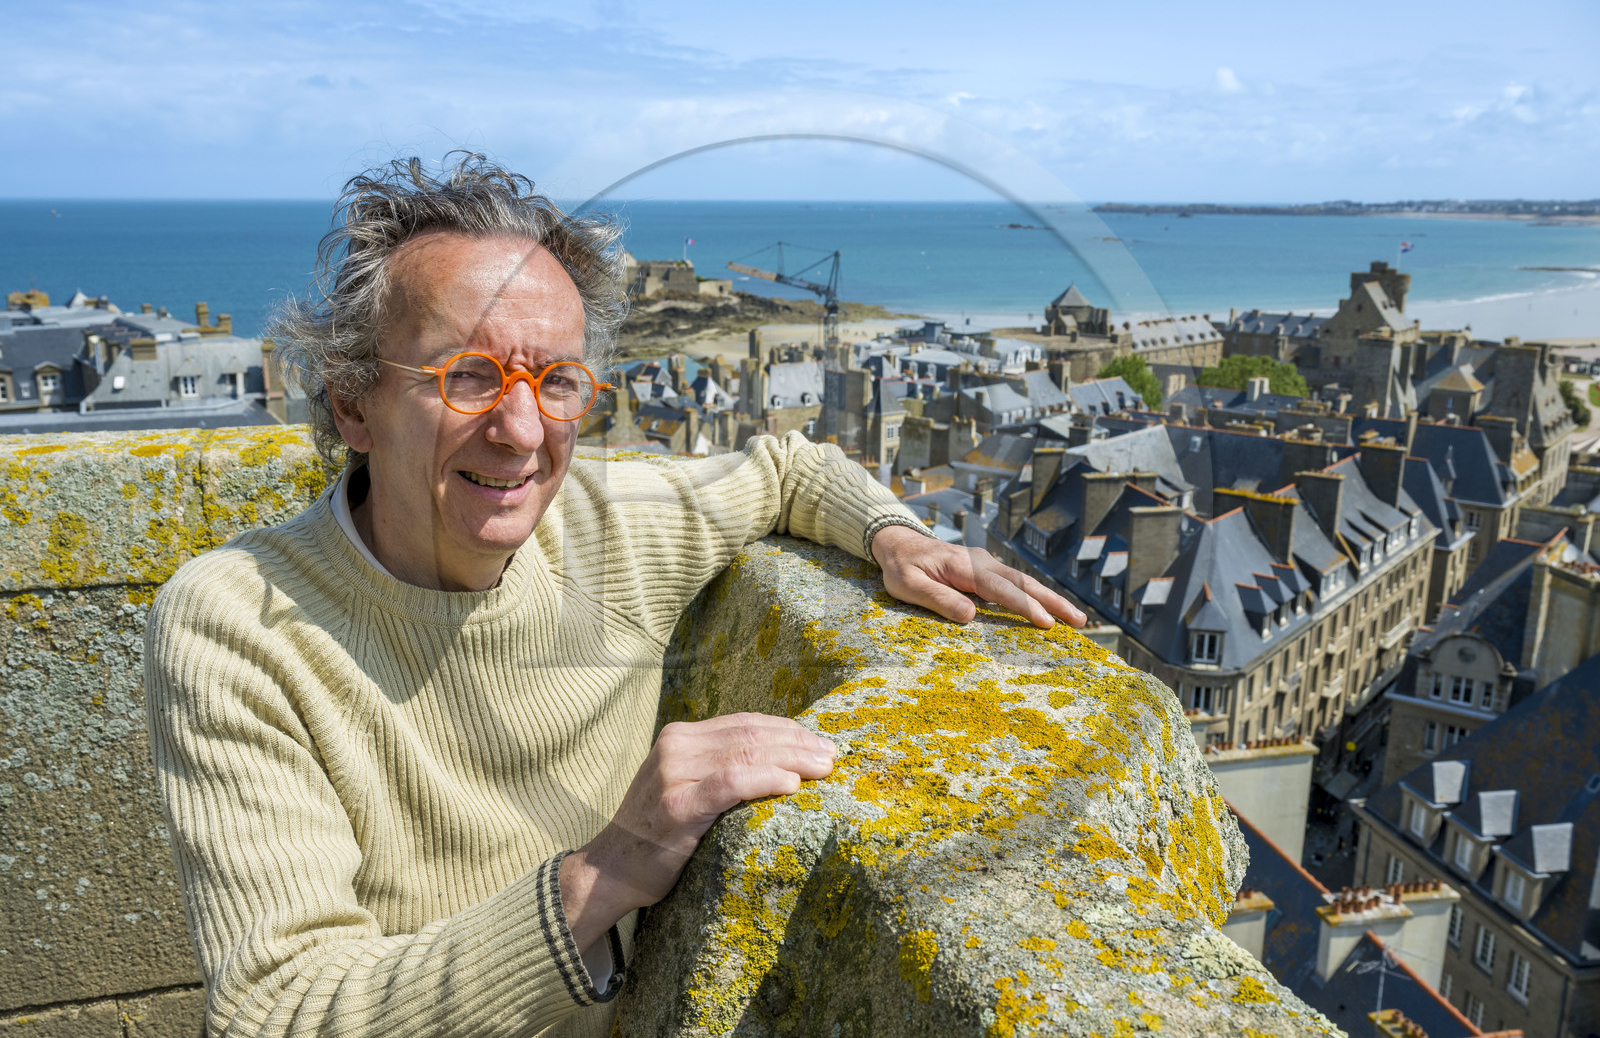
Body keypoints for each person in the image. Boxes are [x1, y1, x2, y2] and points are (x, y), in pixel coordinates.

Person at [144, 154, 1084, 1038]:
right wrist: (606, 870)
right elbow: (276, 1013)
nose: (520, 429)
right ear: (353, 403)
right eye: (468, 375)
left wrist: (898, 537)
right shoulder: (237, 625)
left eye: (557, 382)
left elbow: (790, 468)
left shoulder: (608, 520)